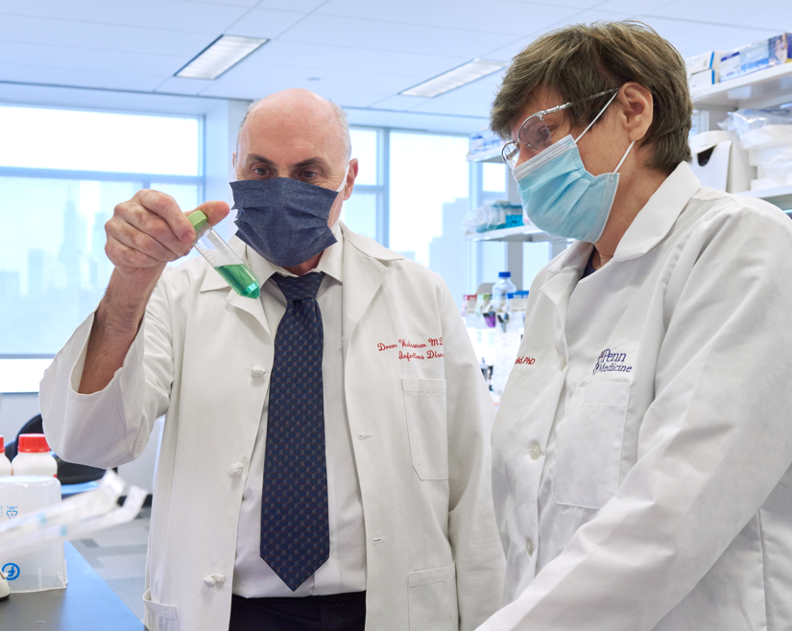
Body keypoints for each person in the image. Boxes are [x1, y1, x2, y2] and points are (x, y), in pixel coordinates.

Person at [39, 88, 504, 631]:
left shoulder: (419, 293)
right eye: (261, 170)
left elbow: (476, 482)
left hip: (387, 608)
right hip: (227, 611)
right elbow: (86, 442)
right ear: (234, 168)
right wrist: (132, 279)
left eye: (308, 173)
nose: (282, 191)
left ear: (348, 179)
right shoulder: (176, 291)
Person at [479, 21, 792, 631]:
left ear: (633, 111)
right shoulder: (555, 286)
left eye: (542, 135)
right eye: (518, 150)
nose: (526, 168)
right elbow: (529, 506)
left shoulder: (740, 244)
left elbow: (676, 503)